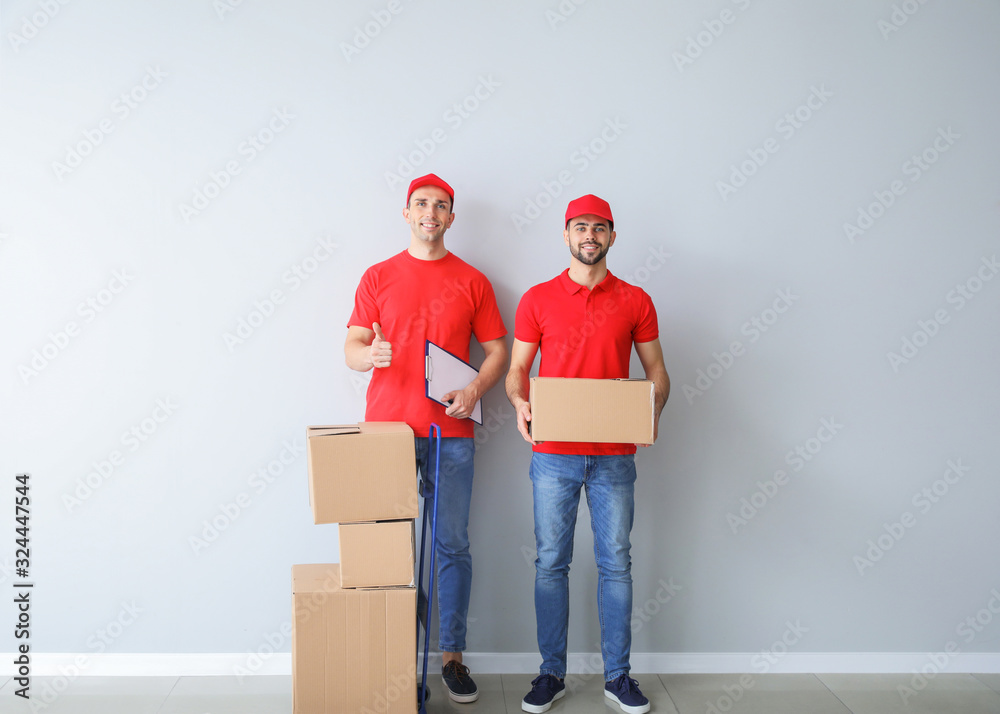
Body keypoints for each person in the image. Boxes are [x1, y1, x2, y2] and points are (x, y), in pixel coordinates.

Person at [345, 173, 508, 703]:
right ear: (407, 213)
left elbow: (498, 350)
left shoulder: (473, 280)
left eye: (441, 206)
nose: (430, 213)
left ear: (451, 218)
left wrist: (477, 387)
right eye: (421, 204)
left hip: (451, 431)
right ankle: (393, 663)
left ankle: (451, 658)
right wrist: (367, 356)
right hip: (387, 430)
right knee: (386, 547)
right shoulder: (378, 275)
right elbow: (352, 344)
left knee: (450, 545)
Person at [505, 194, 669, 714]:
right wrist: (517, 401)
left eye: (600, 228)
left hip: (615, 456)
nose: (589, 236)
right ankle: (551, 673)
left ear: (613, 236)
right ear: (566, 235)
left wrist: (652, 408)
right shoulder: (536, 299)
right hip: (553, 453)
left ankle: (617, 677)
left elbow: (658, 372)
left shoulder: (636, 300)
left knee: (616, 563)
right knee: (552, 562)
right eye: (580, 227)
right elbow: (517, 370)